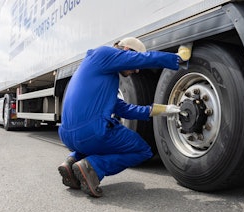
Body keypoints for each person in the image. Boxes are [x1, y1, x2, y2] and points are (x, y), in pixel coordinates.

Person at [57, 37, 191, 197]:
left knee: (97, 140)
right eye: (134, 66)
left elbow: (123, 108)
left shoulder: (98, 69)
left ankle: (72, 162)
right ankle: (93, 167)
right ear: (126, 50)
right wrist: (177, 58)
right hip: (91, 132)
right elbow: (143, 59)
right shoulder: (105, 53)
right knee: (142, 151)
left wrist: (160, 110)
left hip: (67, 136)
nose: (136, 71)